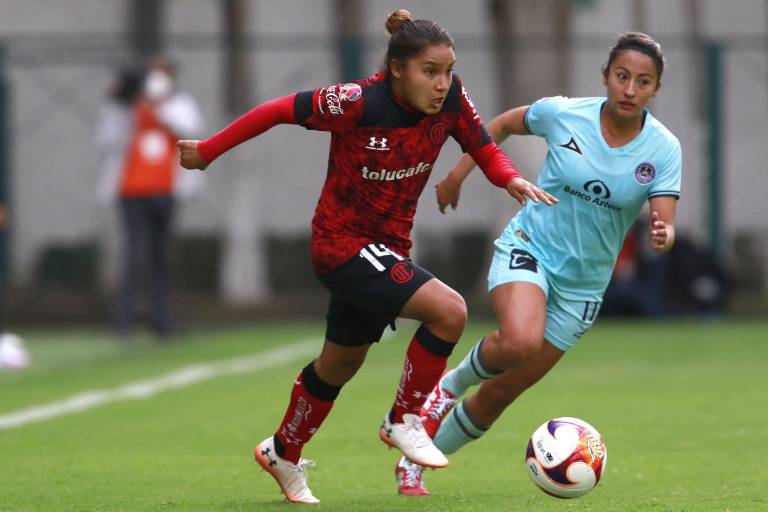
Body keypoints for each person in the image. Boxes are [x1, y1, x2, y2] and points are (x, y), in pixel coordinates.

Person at [178, 9, 555, 504]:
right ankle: (405, 418)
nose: (442, 84)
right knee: (449, 311)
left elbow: (483, 146)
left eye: (447, 71)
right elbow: (274, 110)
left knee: (340, 364)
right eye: (429, 72)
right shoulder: (355, 102)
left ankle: (282, 450)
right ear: (398, 69)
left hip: (386, 250)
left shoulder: (452, 98)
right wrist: (208, 150)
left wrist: (509, 178)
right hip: (341, 245)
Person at [395, 31, 681, 496]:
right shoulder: (564, 113)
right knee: (520, 339)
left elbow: (664, 223)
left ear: (655, 89)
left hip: (583, 287)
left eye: (643, 82)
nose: (630, 89)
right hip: (531, 246)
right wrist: (457, 175)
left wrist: (663, 235)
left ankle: (415, 463)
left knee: (501, 393)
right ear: (606, 76)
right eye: (623, 76)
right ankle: (448, 386)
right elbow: (500, 126)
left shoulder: (663, 148)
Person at [95, 57, 204, 339]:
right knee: (135, 255)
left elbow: (190, 128)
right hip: (131, 192)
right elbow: (106, 139)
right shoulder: (125, 109)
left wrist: (158, 103)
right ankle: (124, 321)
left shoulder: (178, 104)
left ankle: (162, 321)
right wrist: (124, 102)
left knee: (161, 257)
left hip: (166, 190)